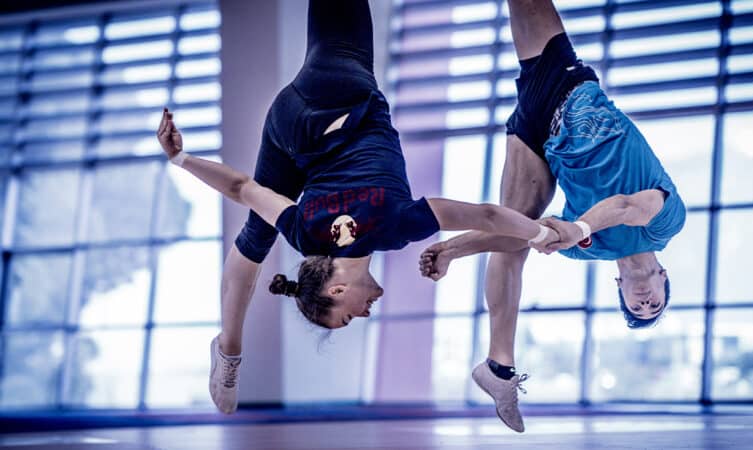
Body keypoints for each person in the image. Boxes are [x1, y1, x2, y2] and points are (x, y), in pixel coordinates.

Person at [156, 0, 559, 416]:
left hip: (341, 85)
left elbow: (487, 215)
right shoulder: (307, 232)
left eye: (348, 318)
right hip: (299, 110)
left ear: (336, 290)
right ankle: (228, 352)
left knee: (255, 239)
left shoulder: (395, 227)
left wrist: (545, 234)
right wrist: (181, 160)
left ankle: (229, 353)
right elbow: (241, 187)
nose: (364, 316)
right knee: (255, 238)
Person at [418, 0, 686, 433]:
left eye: (637, 308)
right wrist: (576, 229)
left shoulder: (589, 252)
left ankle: (499, 365)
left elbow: (518, 233)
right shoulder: (667, 225)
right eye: (654, 302)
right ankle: (499, 365)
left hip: (538, 139)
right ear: (663, 278)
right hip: (570, 91)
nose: (645, 302)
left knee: (517, 232)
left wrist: (453, 248)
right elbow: (625, 207)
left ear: (619, 290)